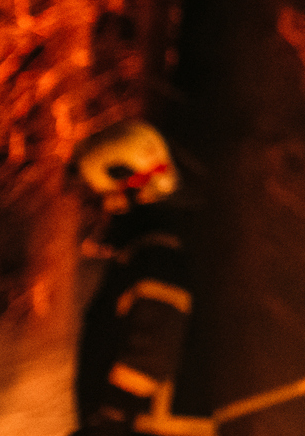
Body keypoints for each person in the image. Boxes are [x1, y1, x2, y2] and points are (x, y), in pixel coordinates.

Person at [69, 118, 192, 436]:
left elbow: (155, 342)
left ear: (128, 185)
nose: (99, 209)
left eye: (100, 195)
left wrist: (112, 416)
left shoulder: (154, 254)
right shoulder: (145, 252)